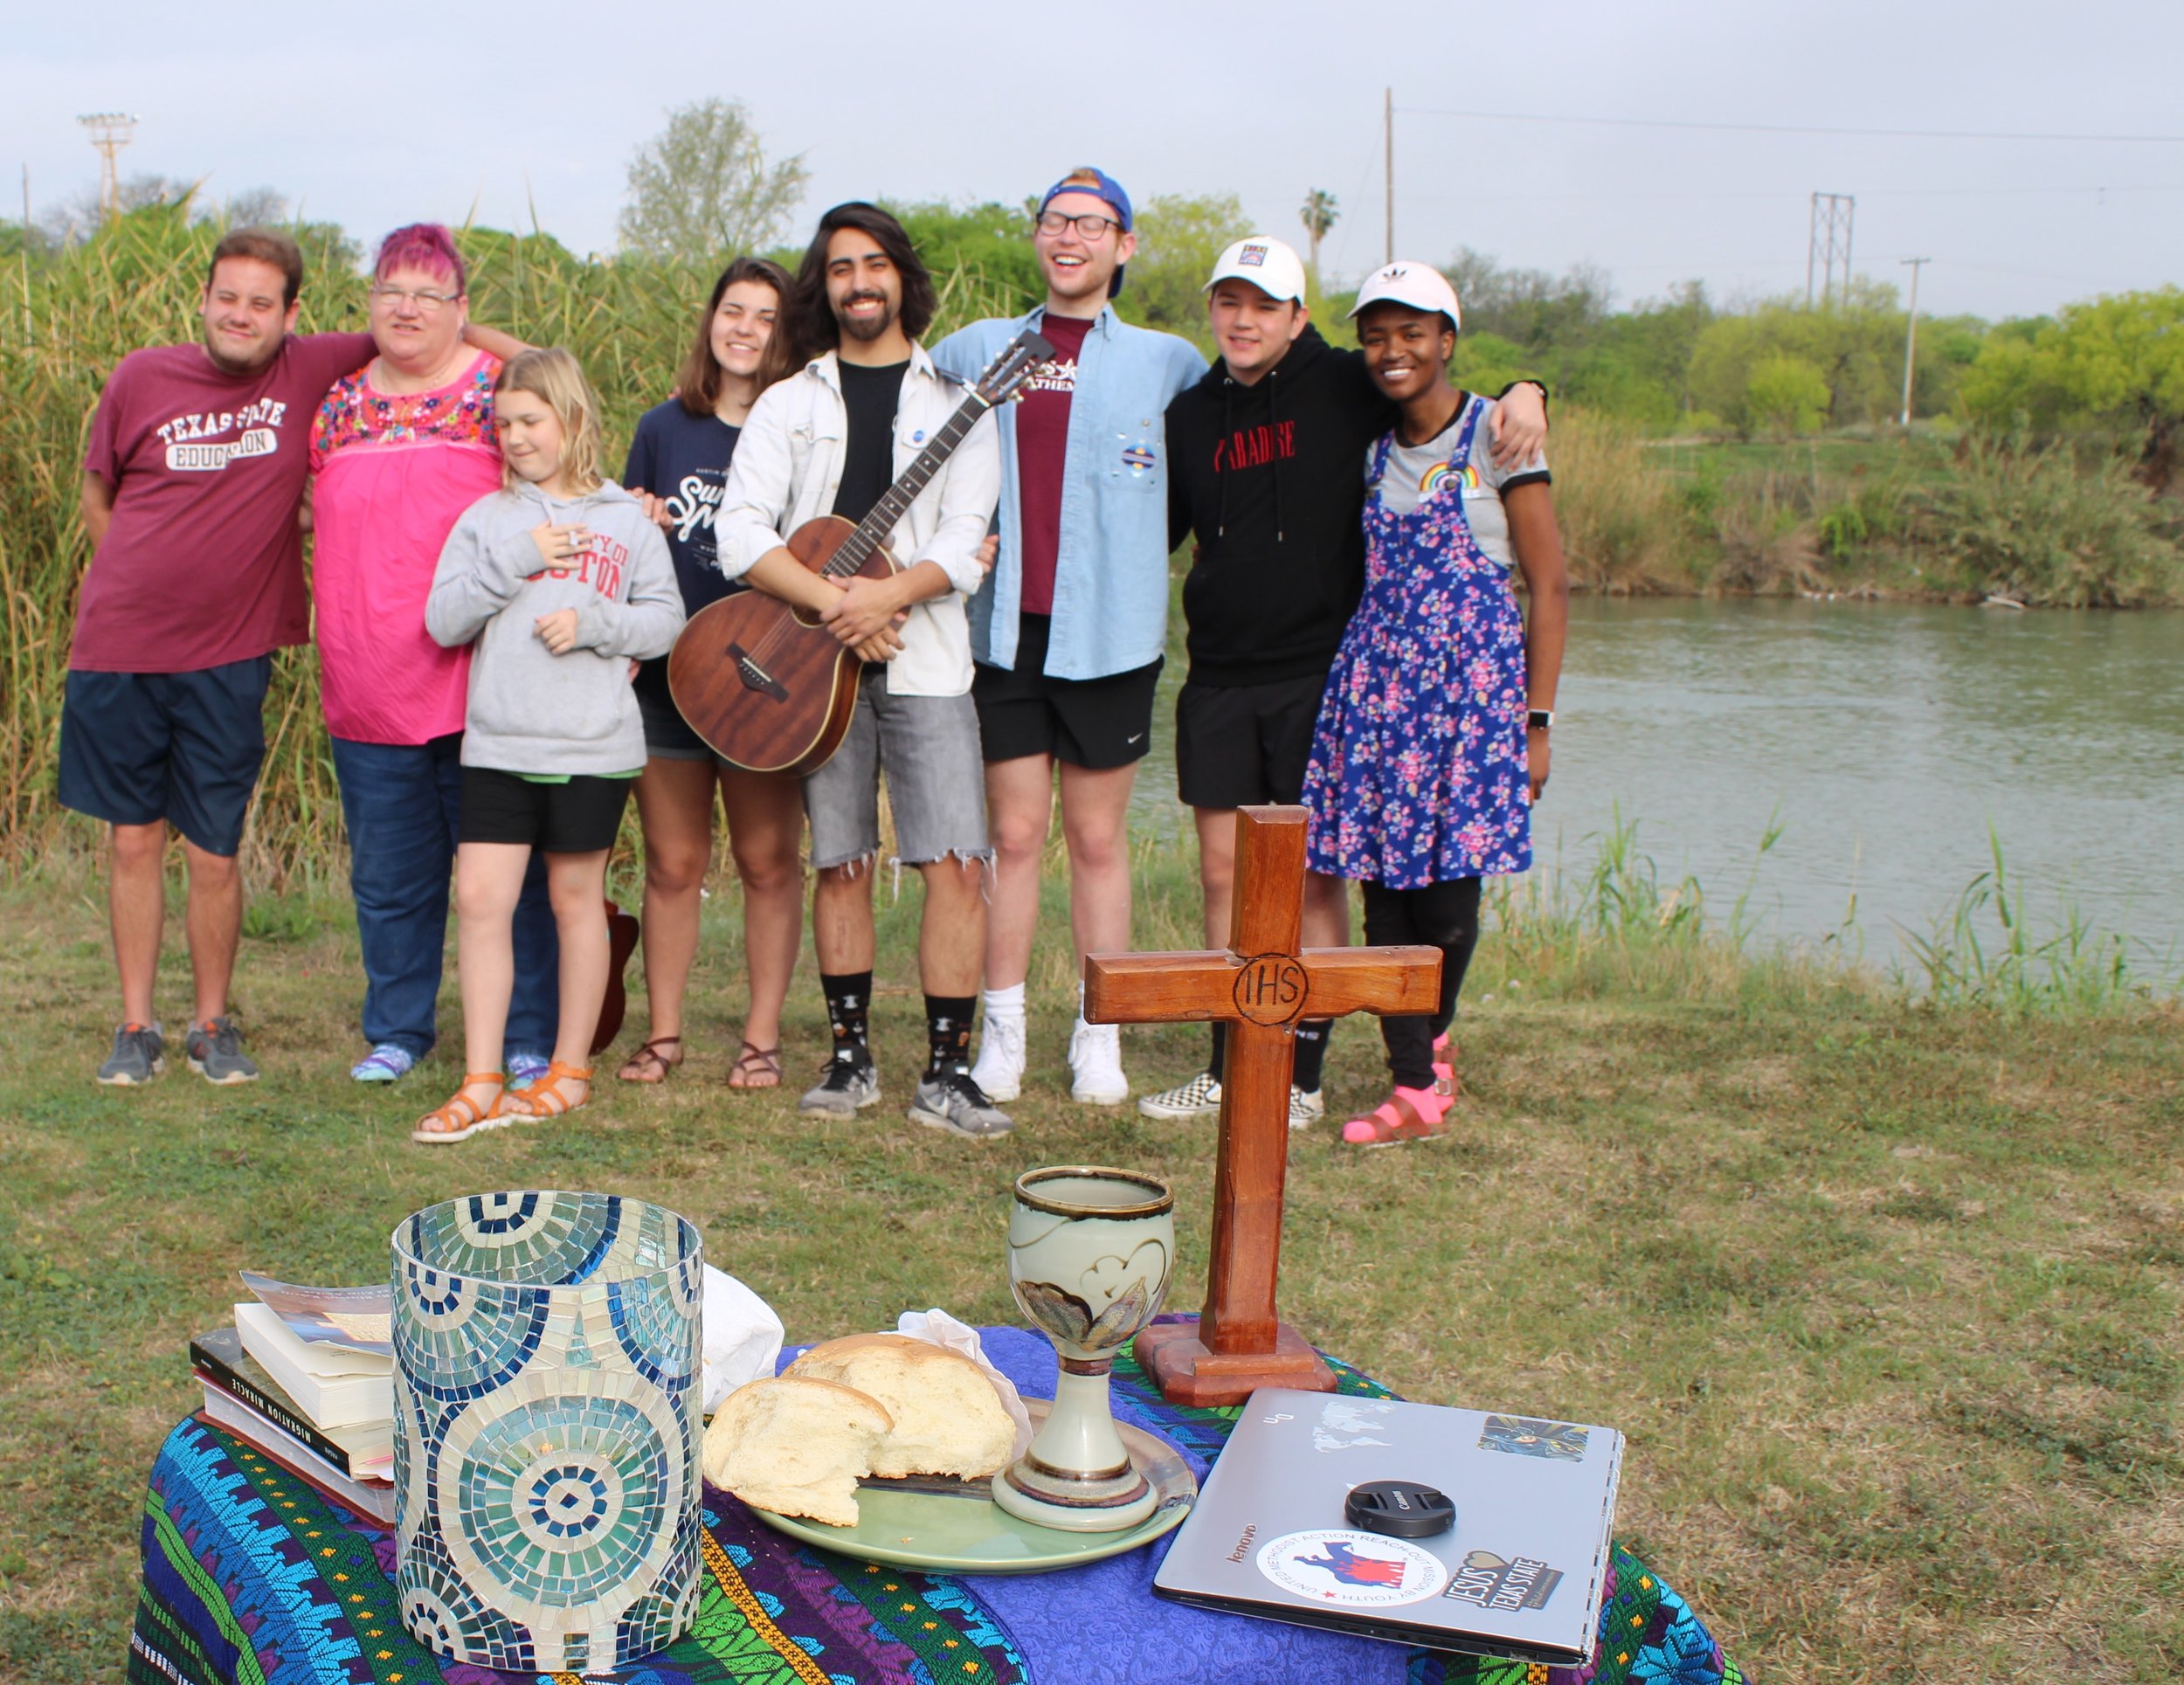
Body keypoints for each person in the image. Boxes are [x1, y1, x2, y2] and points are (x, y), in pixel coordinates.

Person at [1144, 236, 1548, 1125]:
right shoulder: (1188, 416)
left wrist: (1530, 389)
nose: (1243, 320)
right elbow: (1158, 533)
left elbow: (1434, 383)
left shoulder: (1342, 382)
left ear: (1297, 317)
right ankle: (1227, 1063)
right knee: (1223, 877)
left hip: (1321, 675)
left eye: (1264, 305)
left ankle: (1300, 1078)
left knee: (1314, 878)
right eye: (1228, 303)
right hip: (1216, 673)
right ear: (1212, 311)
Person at [715, 203, 1009, 1139]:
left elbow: (967, 542)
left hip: (926, 660)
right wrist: (836, 605)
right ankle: (849, 1063)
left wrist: (886, 600)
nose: (859, 283)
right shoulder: (787, 402)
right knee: (838, 863)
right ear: (824, 286)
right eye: (840, 268)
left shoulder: (957, 401)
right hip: (811, 668)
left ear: (902, 279)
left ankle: (946, 1073)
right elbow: (739, 533)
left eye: (874, 264)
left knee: (957, 864)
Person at [60, 229, 379, 1086]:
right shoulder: (140, 376)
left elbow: (417, 324)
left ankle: (211, 1024)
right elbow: (98, 490)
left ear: (291, 315)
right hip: (120, 647)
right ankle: (136, 1025)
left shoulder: (306, 370)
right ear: (203, 299)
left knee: (214, 850)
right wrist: (127, 580)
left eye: (261, 303)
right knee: (133, 841)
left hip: (229, 655)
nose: (241, 315)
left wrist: (533, 358)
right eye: (227, 296)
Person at [930, 168, 1206, 1107]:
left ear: (1123, 245)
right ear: (1038, 236)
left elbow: (1254, 415)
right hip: (1005, 633)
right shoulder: (978, 348)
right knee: (1013, 835)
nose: (1070, 238)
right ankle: (1001, 1029)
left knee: (1095, 838)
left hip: (1113, 635)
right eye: (1055, 221)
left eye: (1092, 225)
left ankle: (1101, 1032)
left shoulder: (1166, 362)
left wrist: (1521, 388)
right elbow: (895, 422)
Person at [1302, 262, 1568, 1144]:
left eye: (1412, 332)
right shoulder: (1375, 450)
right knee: (1386, 899)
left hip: (1470, 700)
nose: (1393, 351)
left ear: (1447, 341)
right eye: (1376, 334)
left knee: (1448, 905)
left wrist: (1537, 721)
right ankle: (1414, 1082)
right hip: (1381, 698)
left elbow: (1551, 586)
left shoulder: (1496, 435)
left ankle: (1431, 1039)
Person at [308, 224, 558, 1088]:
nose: (405, 307)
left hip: (486, 686)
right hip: (366, 684)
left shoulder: (496, 391)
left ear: (461, 309)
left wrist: (475, 333)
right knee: (388, 880)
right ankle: (398, 1029)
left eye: (429, 292)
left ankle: (528, 1034)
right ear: (367, 301)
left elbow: (558, 378)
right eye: (389, 290)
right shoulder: (336, 404)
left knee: (510, 880)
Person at [416, 349, 685, 1141]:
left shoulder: (626, 521)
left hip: (592, 747)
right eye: (502, 424)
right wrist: (519, 559)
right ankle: (482, 1077)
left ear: (571, 418)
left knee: (576, 903)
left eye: (530, 420)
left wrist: (597, 627)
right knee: (481, 903)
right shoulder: (488, 520)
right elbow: (443, 620)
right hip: (499, 742)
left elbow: (665, 622)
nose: (514, 437)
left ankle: (569, 1071)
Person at [616, 257, 805, 1090]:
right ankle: (663, 1035)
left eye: (765, 317)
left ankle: (760, 1038)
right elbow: (628, 546)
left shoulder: (800, 430)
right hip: (670, 675)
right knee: (672, 863)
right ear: (711, 322)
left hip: (767, 677)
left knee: (767, 862)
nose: (745, 329)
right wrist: (635, 518)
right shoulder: (664, 428)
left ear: (785, 335)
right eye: (733, 311)